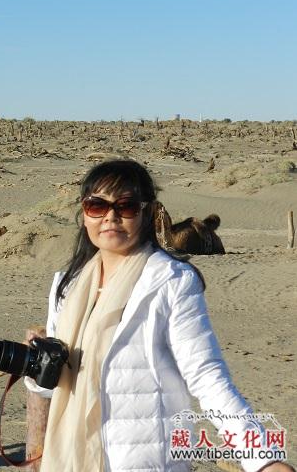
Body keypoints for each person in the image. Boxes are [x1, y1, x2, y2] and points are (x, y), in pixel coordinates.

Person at [23, 159, 292, 472]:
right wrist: (34, 369)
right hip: (70, 458)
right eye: (97, 205)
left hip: (143, 461)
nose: (110, 216)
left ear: (147, 213)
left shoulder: (171, 281)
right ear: (84, 214)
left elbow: (207, 377)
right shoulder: (67, 286)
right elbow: (53, 386)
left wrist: (262, 459)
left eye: (126, 206)